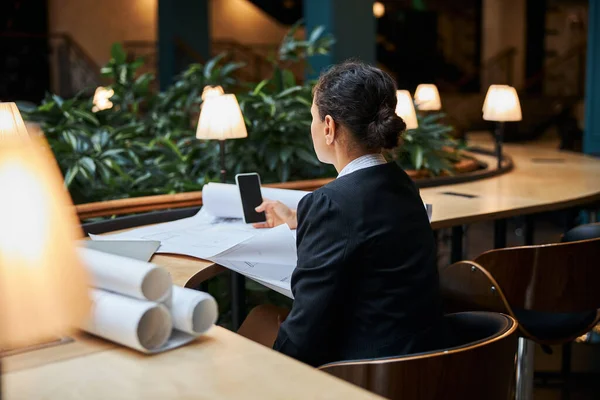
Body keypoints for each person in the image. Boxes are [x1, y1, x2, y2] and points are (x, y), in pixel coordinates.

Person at [244, 61, 443, 367]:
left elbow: (306, 328)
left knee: (249, 333)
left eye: (311, 118)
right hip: (421, 360)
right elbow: (366, 227)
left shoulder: (331, 204)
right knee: (262, 320)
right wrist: (300, 218)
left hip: (364, 371)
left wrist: (274, 373)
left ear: (328, 127)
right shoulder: (401, 184)